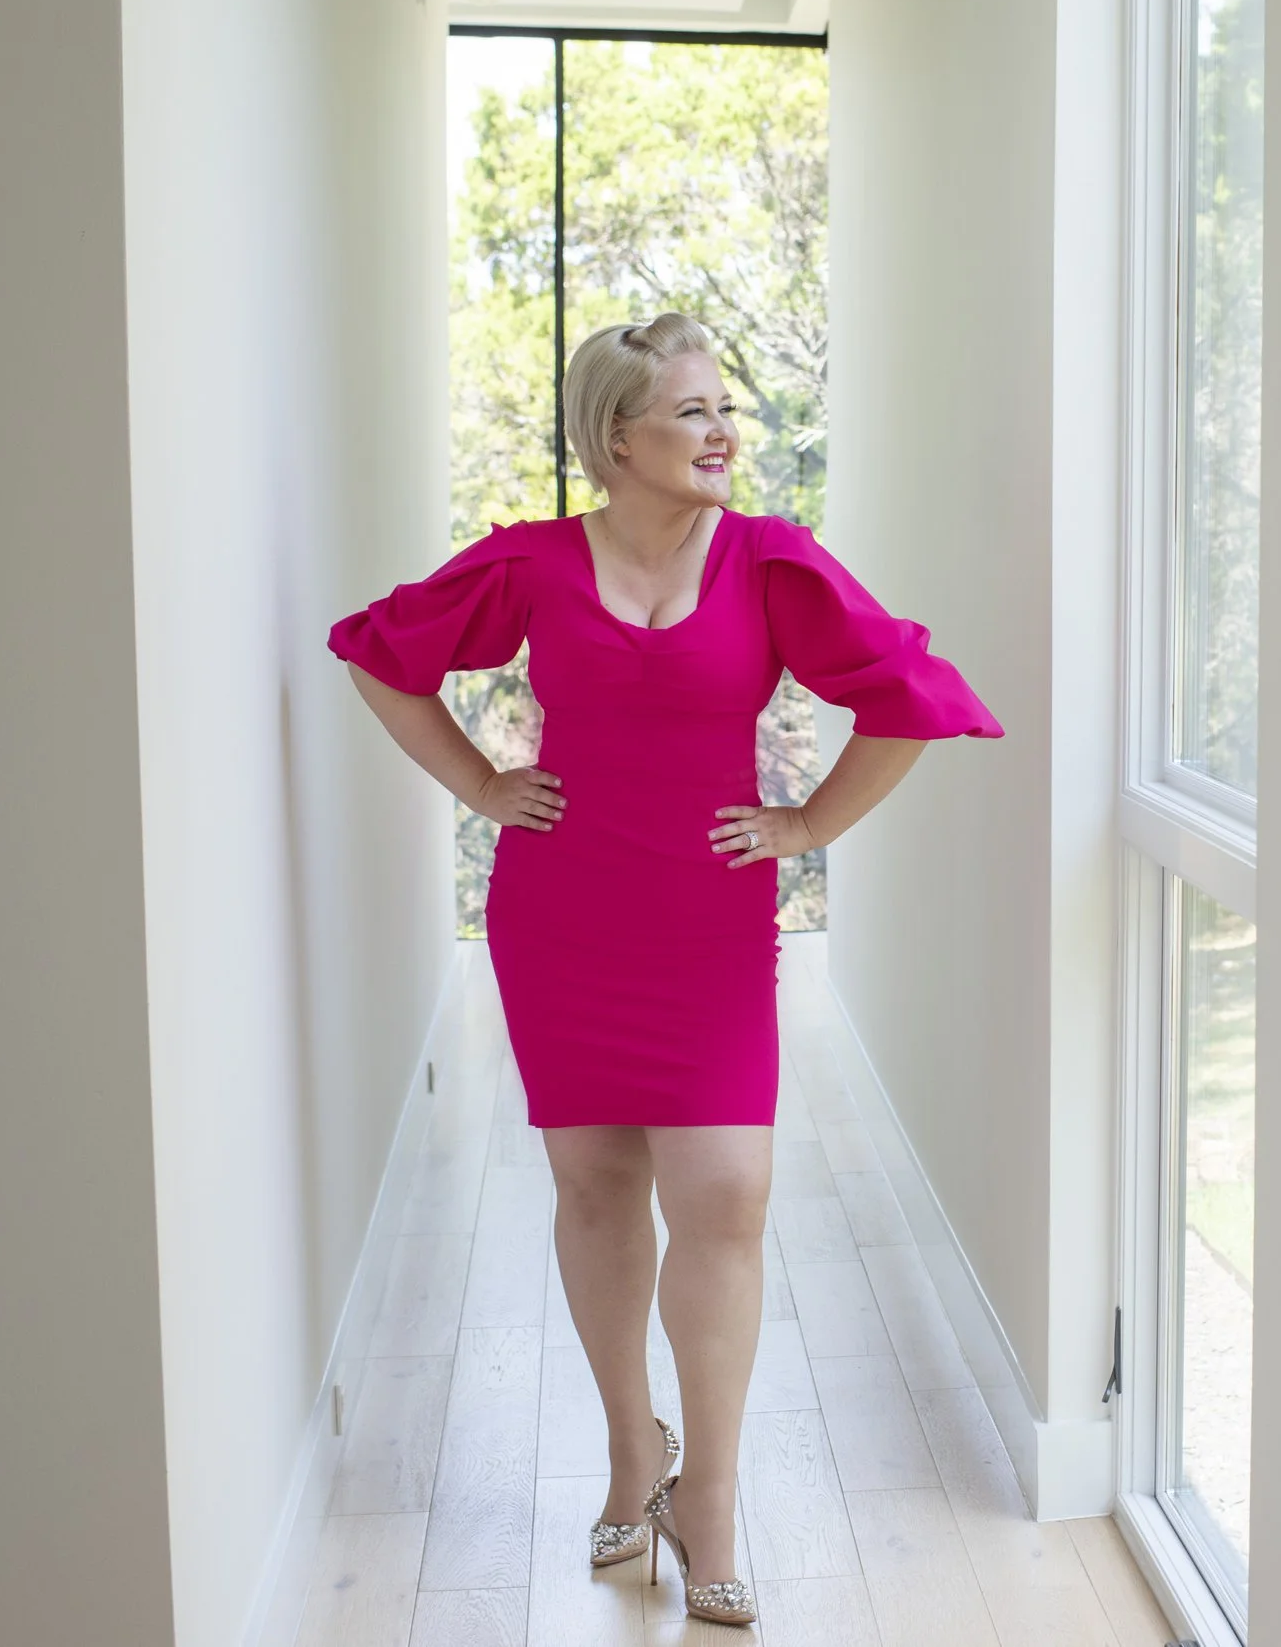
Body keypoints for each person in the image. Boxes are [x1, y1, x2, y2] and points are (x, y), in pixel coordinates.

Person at [327, 312, 1001, 1626]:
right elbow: (380, 652)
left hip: (705, 911)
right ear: (614, 436)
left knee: (728, 1192)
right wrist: (480, 783)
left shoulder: (772, 561)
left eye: (722, 409)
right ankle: (636, 1450)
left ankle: (713, 1501)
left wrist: (805, 823)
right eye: (691, 412)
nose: (721, 433)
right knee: (593, 1185)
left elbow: (914, 694)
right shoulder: (528, 563)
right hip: (565, 907)